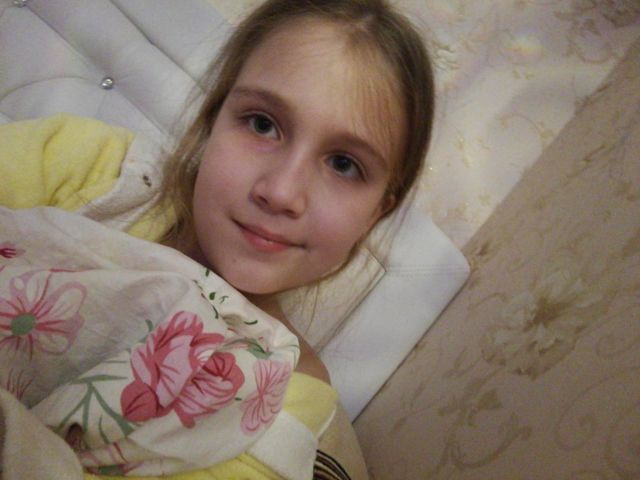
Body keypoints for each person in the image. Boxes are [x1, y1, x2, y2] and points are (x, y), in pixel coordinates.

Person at [0, 0, 434, 478]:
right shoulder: (94, 168)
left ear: (375, 213)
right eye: (263, 124)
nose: (281, 192)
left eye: (344, 164)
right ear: (213, 119)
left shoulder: (290, 403)